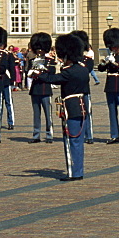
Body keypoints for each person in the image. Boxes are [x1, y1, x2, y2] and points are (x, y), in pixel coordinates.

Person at [32, 33, 90, 181]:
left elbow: (54, 79)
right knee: (78, 142)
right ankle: (78, 170)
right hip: (82, 106)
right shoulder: (82, 69)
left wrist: (38, 75)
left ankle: (73, 173)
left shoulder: (69, 71)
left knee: (71, 142)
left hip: (71, 107)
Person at [97, 27, 119, 145]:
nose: (114, 48)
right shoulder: (110, 56)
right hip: (110, 87)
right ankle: (114, 135)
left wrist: (114, 62)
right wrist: (106, 61)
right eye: (112, 46)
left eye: (115, 46)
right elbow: (101, 69)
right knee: (112, 113)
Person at [27, 32, 56, 144]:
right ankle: (36, 135)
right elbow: (28, 72)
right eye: (37, 49)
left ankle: (49, 135)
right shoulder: (32, 61)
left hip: (45, 88)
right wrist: (32, 72)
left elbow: (52, 73)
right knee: (36, 114)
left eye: (41, 49)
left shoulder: (50, 61)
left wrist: (42, 71)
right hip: (35, 89)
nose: (39, 51)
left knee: (48, 114)